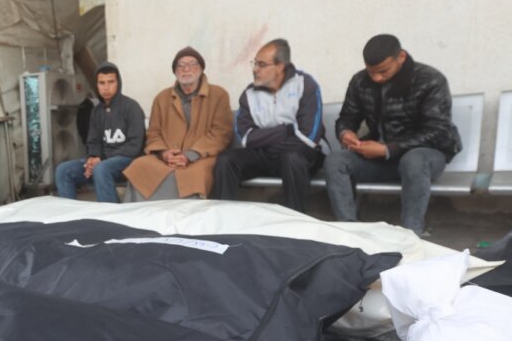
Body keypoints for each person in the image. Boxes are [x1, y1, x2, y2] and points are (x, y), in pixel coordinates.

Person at [323, 34, 461, 235]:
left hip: (426, 157)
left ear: (401, 57)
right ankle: (349, 232)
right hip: (381, 159)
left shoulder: (430, 79)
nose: (376, 78)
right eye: (371, 72)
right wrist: (346, 133)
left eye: (383, 71)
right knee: (336, 160)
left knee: (413, 160)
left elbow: (438, 130)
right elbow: (347, 117)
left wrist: (389, 149)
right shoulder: (360, 81)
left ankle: (411, 234)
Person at [212, 39, 324, 212]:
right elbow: (246, 138)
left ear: (280, 66)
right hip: (263, 155)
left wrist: (264, 138)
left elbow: (308, 137)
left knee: (292, 158)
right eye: (255, 63)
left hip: (300, 156)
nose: (255, 69)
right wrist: (286, 130)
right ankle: (222, 219)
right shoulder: (249, 94)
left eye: (262, 64)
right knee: (227, 159)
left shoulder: (305, 85)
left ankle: (294, 224)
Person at [124, 47, 233, 200]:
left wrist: (190, 155)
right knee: (139, 166)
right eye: (180, 65)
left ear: (201, 68)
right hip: (168, 157)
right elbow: (153, 133)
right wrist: (164, 153)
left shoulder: (218, 95)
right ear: (175, 71)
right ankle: (140, 216)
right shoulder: (161, 98)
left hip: (201, 157)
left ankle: (188, 220)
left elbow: (221, 133)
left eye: (192, 64)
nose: (186, 69)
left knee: (195, 175)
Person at [54, 62, 145, 203]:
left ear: (118, 83)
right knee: (63, 170)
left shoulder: (131, 107)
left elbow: (135, 146)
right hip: (102, 161)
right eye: (102, 83)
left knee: (101, 169)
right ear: (97, 85)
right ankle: (71, 219)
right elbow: (93, 141)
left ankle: (111, 218)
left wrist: (101, 159)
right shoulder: (96, 111)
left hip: (128, 162)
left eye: (111, 82)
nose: (106, 87)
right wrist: (92, 158)